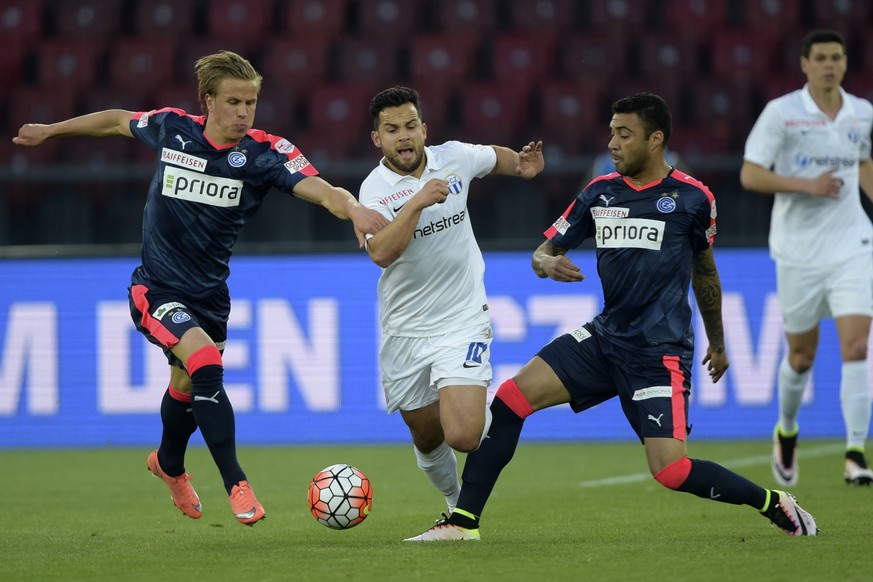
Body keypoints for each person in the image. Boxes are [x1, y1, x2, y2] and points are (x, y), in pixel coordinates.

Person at [406, 92, 818, 542]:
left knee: (672, 470)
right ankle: (463, 523)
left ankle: (772, 502)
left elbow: (705, 274)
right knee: (510, 399)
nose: (613, 144)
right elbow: (544, 251)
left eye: (624, 134)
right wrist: (545, 263)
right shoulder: (599, 191)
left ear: (655, 139)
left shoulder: (693, 198)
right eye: (611, 133)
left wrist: (717, 343)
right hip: (605, 338)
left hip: (657, 353)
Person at [12, 50, 387, 526]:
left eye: (250, 102)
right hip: (156, 288)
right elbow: (116, 122)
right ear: (207, 101)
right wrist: (52, 131)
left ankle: (168, 464)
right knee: (206, 364)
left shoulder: (263, 153)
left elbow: (323, 190)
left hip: (210, 296)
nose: (243, 112)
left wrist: (352, 209)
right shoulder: (173, 128)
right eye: (233, 101)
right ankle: (237, 483)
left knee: (186, 385)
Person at [358, 86, 544, 515]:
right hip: (404, 329)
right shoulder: (374, 190)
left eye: (409, 126)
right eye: (391, 130)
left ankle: (498, 421)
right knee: (426, 435)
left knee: (463, 435)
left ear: (424, 129)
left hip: (462, 319)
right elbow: (382, 253)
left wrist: (519, 164)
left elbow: (491, 157)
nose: (403, 137)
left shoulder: (454, 156)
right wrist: (417, 203)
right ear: (377, 139)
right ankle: (455, 504)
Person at [740, 29, 873, 487]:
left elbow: (865, 162)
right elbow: (750, 174)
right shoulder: (782, 114)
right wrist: (806, 185)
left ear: (844, 62)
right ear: (805, 64)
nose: (830, 65)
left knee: (857, 345)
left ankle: (856, 451)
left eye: (837, 57)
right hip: (797, 251)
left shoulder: (862, 113)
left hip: (853, 244)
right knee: (801, 355)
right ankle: (787, 429)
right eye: (821, 58)